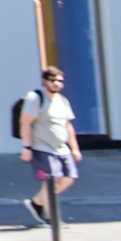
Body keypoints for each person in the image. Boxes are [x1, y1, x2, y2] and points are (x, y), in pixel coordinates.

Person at [18, 66, 79, 228]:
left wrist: (75, 148)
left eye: (60, 81)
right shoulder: (36, 98)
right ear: (45, 81)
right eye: (53, 81)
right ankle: (53, 220)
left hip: (61, 148)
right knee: (52, 180)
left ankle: (37, 202)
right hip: (42, 147)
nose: (57, 84)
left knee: (68, 178)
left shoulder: (62, 101)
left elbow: (68, 126)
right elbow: (25, 123)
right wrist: (27, 147)